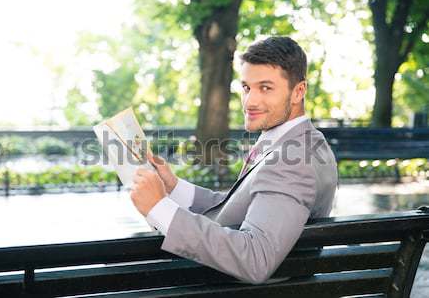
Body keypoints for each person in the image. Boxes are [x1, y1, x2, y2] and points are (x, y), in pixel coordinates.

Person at [130, 36, 338, 284]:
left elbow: (255, 259)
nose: (250, 101)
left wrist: (159, 208)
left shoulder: (291, 161)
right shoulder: (307, 143)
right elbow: (247, 206)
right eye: (247, 88)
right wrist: (174, 188)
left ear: (299, 91)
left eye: (265, 88)